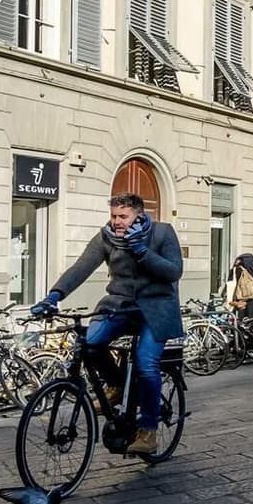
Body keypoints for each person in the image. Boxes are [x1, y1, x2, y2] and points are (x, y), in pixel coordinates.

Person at [31, 192, 183, 456]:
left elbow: (174, 271)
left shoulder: (162, 233)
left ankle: (148, 431)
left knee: (147, 363)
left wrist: (142, 252)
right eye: (114, 216)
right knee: (89, 343)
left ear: (139, 214)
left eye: (123, 216)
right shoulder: (106, 237)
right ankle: (116, 385)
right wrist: (54, 296)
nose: (117, 221)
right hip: (120, 305)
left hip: (156, 308)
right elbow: (81, 267)